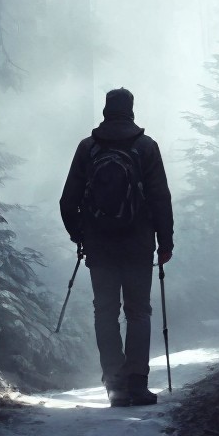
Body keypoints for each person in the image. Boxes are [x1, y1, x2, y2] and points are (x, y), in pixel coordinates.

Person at [59, 87, 174, 407]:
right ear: (131, 110)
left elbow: (67, 201)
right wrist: (165, 242)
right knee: (138, 311)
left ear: (106, 110)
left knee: (105, 312)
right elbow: (160, 198)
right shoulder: (146, 147)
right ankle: (137, 383)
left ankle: (115, 384)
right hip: (138, 244)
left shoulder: (88, 148)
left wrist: (79, 236)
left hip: (100, 245)